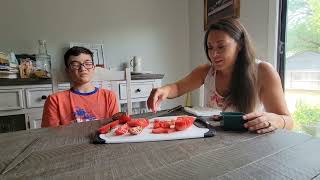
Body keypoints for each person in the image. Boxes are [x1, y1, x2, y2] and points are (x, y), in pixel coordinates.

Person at [147, 18, 293, 134]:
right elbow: (178, 88)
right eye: (210, 48)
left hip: (250, 148)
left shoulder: (263, 71)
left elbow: (288, 121)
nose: (214, 55)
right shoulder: (206, 71)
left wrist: (272, 120)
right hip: (213, 143)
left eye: (221, 46)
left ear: (240, 45)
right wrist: (163, 90)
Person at [42, 46, 119, 127]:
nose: (82, 68)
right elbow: (50, 134)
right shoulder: (55, 100)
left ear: (93, 68)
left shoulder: (109, 96)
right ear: (67, 71)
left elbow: (115, 127)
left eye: (88, 64)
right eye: (75, 65)